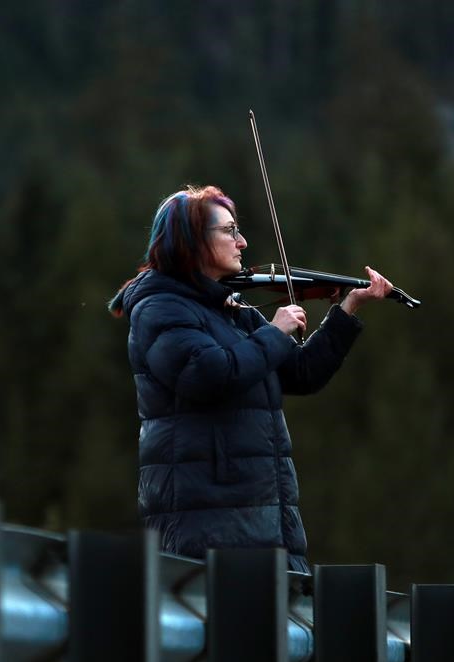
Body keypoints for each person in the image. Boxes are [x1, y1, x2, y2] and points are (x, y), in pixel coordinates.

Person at [108, 185, 392, 572]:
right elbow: (208, 375)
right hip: (209, 523)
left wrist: (346, 309)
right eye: (228, 231)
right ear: (191, 242)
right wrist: (275, 331)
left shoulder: (231, 307)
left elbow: (302, 373)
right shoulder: (159, 308)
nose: (241, 242)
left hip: (263, 518)